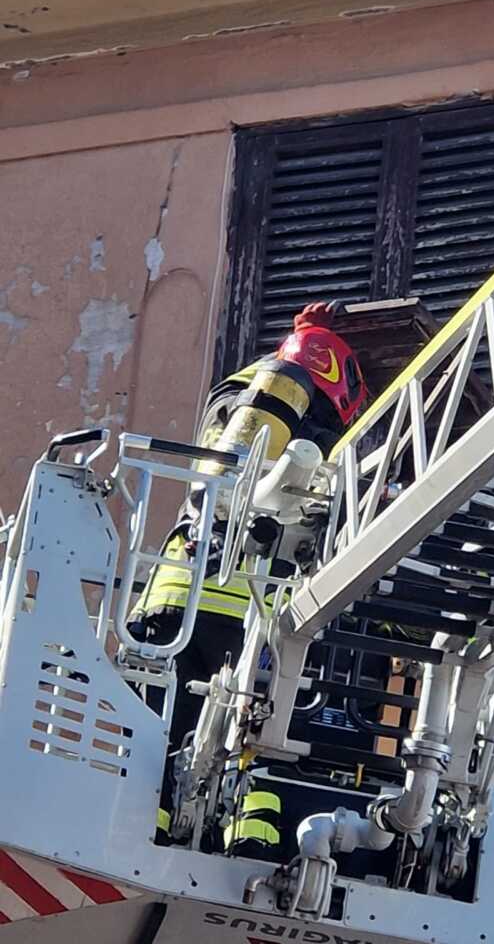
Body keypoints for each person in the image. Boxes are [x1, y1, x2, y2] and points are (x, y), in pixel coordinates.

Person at [128, 302, 367, 840]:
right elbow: (229, 469)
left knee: (173, 732)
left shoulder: (263, 418)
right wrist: (311, 341)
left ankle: (167, 823)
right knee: (253, 737)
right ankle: (244, 836)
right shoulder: (280, 388)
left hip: (196, 601)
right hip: (245, 610)